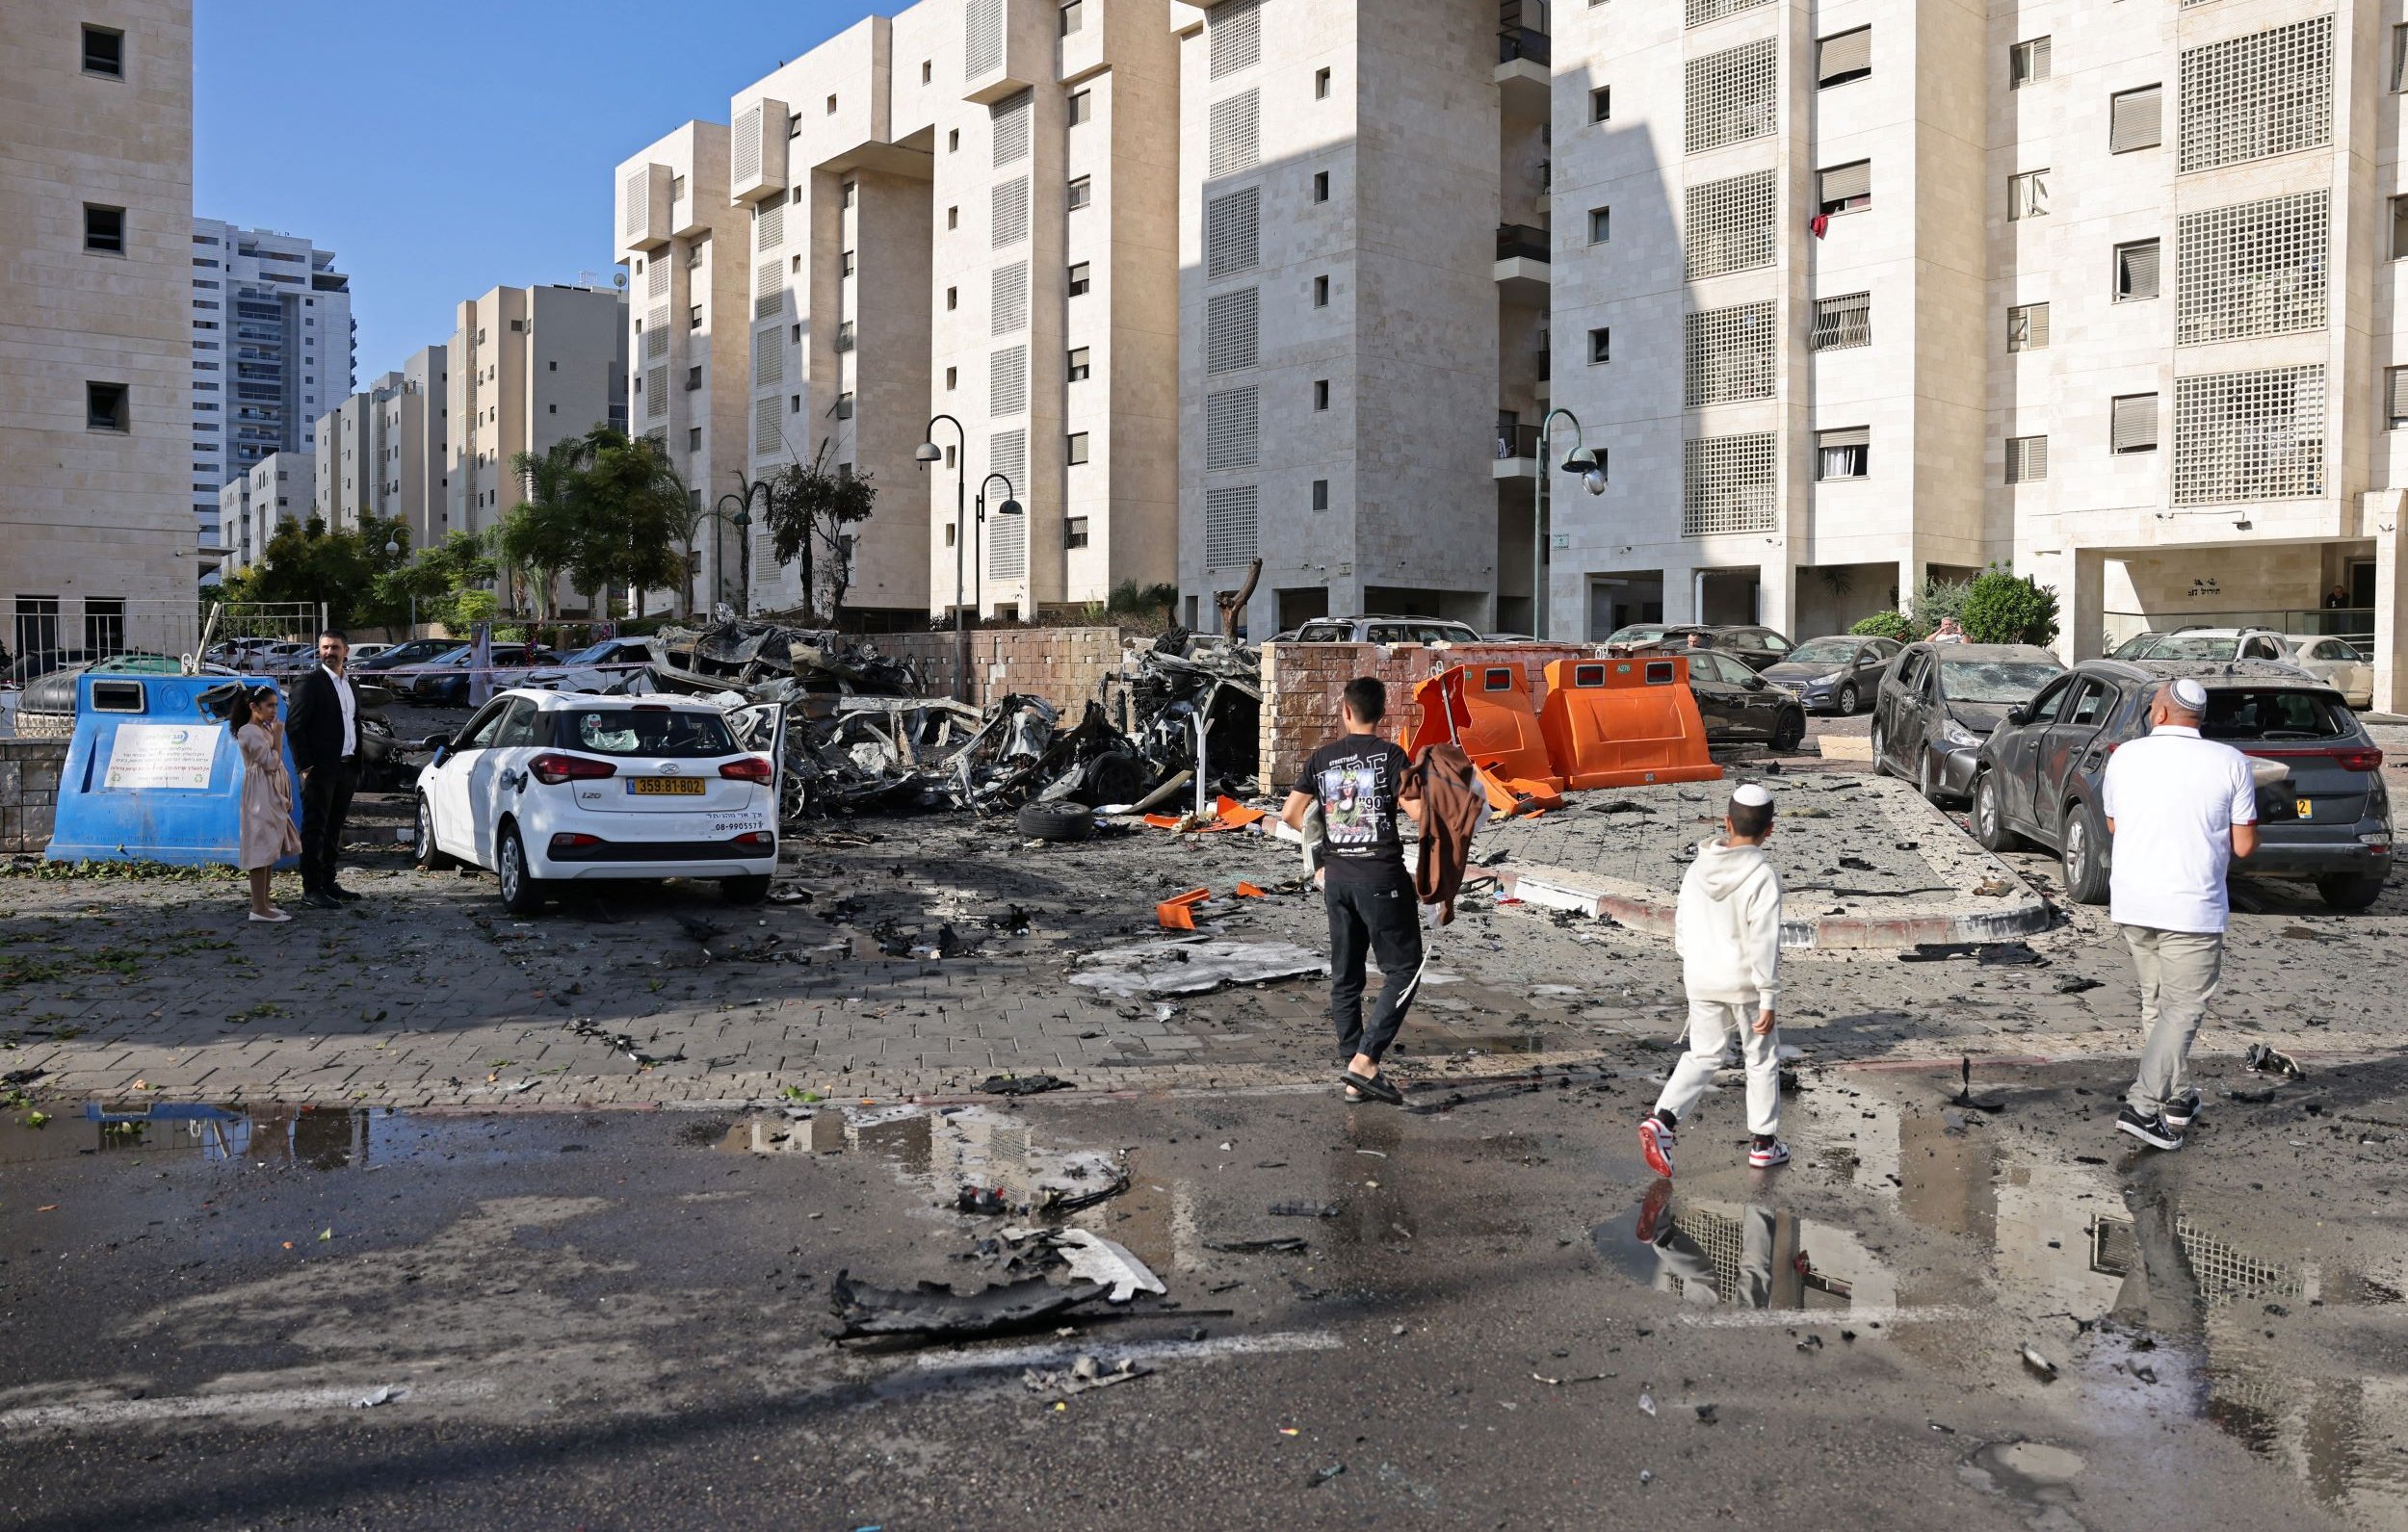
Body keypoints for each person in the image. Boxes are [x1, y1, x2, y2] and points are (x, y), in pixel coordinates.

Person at [2100, 676, 2258, 1151]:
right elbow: (2244, 846)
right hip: (2190, 906)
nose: (2150, 713)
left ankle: (2179, 1095)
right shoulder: (2230, 761)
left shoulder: (2125, 756)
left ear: (2163, 713)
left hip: (2133, 902)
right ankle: (2143, 1107)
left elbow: (2113, 823)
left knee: (2158, 1006)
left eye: (2152, 707)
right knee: (2183, 1008)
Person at [1279, 677, 1426, 1105]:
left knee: (1346, 975)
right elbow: (1418, 814)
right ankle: (1364, 1061)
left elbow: (1291, 815)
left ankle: (1352, 1074)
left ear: (1344, 711)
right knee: (1404, 969)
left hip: (1337, 881)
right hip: (1381, 878)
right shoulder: (1391, 755)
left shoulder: (1322, 759)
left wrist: (1323, 851)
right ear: (1383, 713)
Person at [1639, 783, 1787, 1175]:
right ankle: (1763, 1144)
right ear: (1769, 830)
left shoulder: (1696, 868)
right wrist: (1769, 996)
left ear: (1726, 822)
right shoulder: (1762, 876)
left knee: (1703, 1055)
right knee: (1760, 1058)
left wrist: (1696, 965)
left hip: (1701, 978)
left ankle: (1663, 1121)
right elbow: (1765, 941)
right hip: (1745, 985)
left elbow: (1682, 927)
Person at [286, 629, 362, 909]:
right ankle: (311, 888)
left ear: (346, 652)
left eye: (334, 648)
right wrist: (305, 766)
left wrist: (357, 763)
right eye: (325, 648)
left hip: (347, 767)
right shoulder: (309, 682)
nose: (329, 653)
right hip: (319, 770)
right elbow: (295, 727)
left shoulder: (350, 685)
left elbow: (353, 723)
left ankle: (329, 882)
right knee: (314, 828)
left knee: (334, 828)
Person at [231, 687, 300, 922]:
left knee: (270, 845)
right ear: (254, 707)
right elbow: (270, 763)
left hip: (270, 790)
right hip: (260, 791)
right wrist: (278, 737)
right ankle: (258, 907)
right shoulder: (248, 731)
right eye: (269, 705)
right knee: (260, 846)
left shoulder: (262, 728)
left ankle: (265, 902)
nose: (273, 710)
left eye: (275, 705)